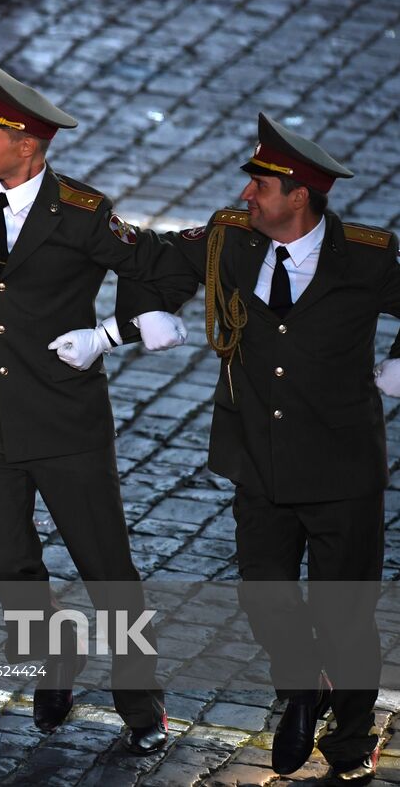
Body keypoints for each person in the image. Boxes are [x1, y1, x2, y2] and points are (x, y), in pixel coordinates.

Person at [0, 62, 193, 753]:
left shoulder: (82, 214)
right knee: (4, 560)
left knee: (106, 567)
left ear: (28, 145)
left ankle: (142, 701)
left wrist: (114, 333)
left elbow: (160, 262)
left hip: (64, 420)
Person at [114, 114, 400, 782]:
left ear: (299, 196)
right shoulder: (230, 241)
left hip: (340, 470)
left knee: (345, 615)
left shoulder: (366, 256)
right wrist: (137, 316)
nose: (247, 195)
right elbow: (153, 258)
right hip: (259, 461)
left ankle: (351, 736)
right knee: (263, 596)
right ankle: (302, 686)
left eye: (261, 186)